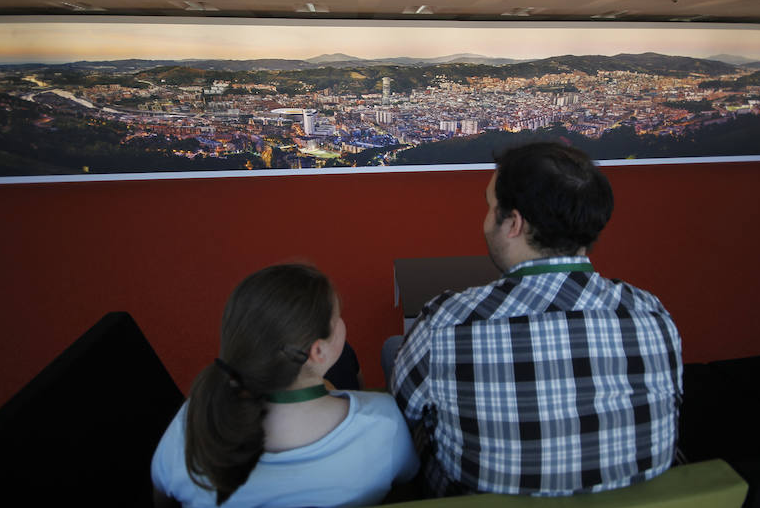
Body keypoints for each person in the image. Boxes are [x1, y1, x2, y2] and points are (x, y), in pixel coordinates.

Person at [389, 142, 683, 497]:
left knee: (397, 353)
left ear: (513, 223)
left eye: (490, 207)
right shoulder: (652, 315)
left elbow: (401, 427)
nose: (485, 220)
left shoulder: (446, 325)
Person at [152, 264, 419, 507]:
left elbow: (163, 496)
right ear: (317, 352)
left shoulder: (191, 422)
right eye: (337, 317)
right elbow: (409, 490)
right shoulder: (383, 423)